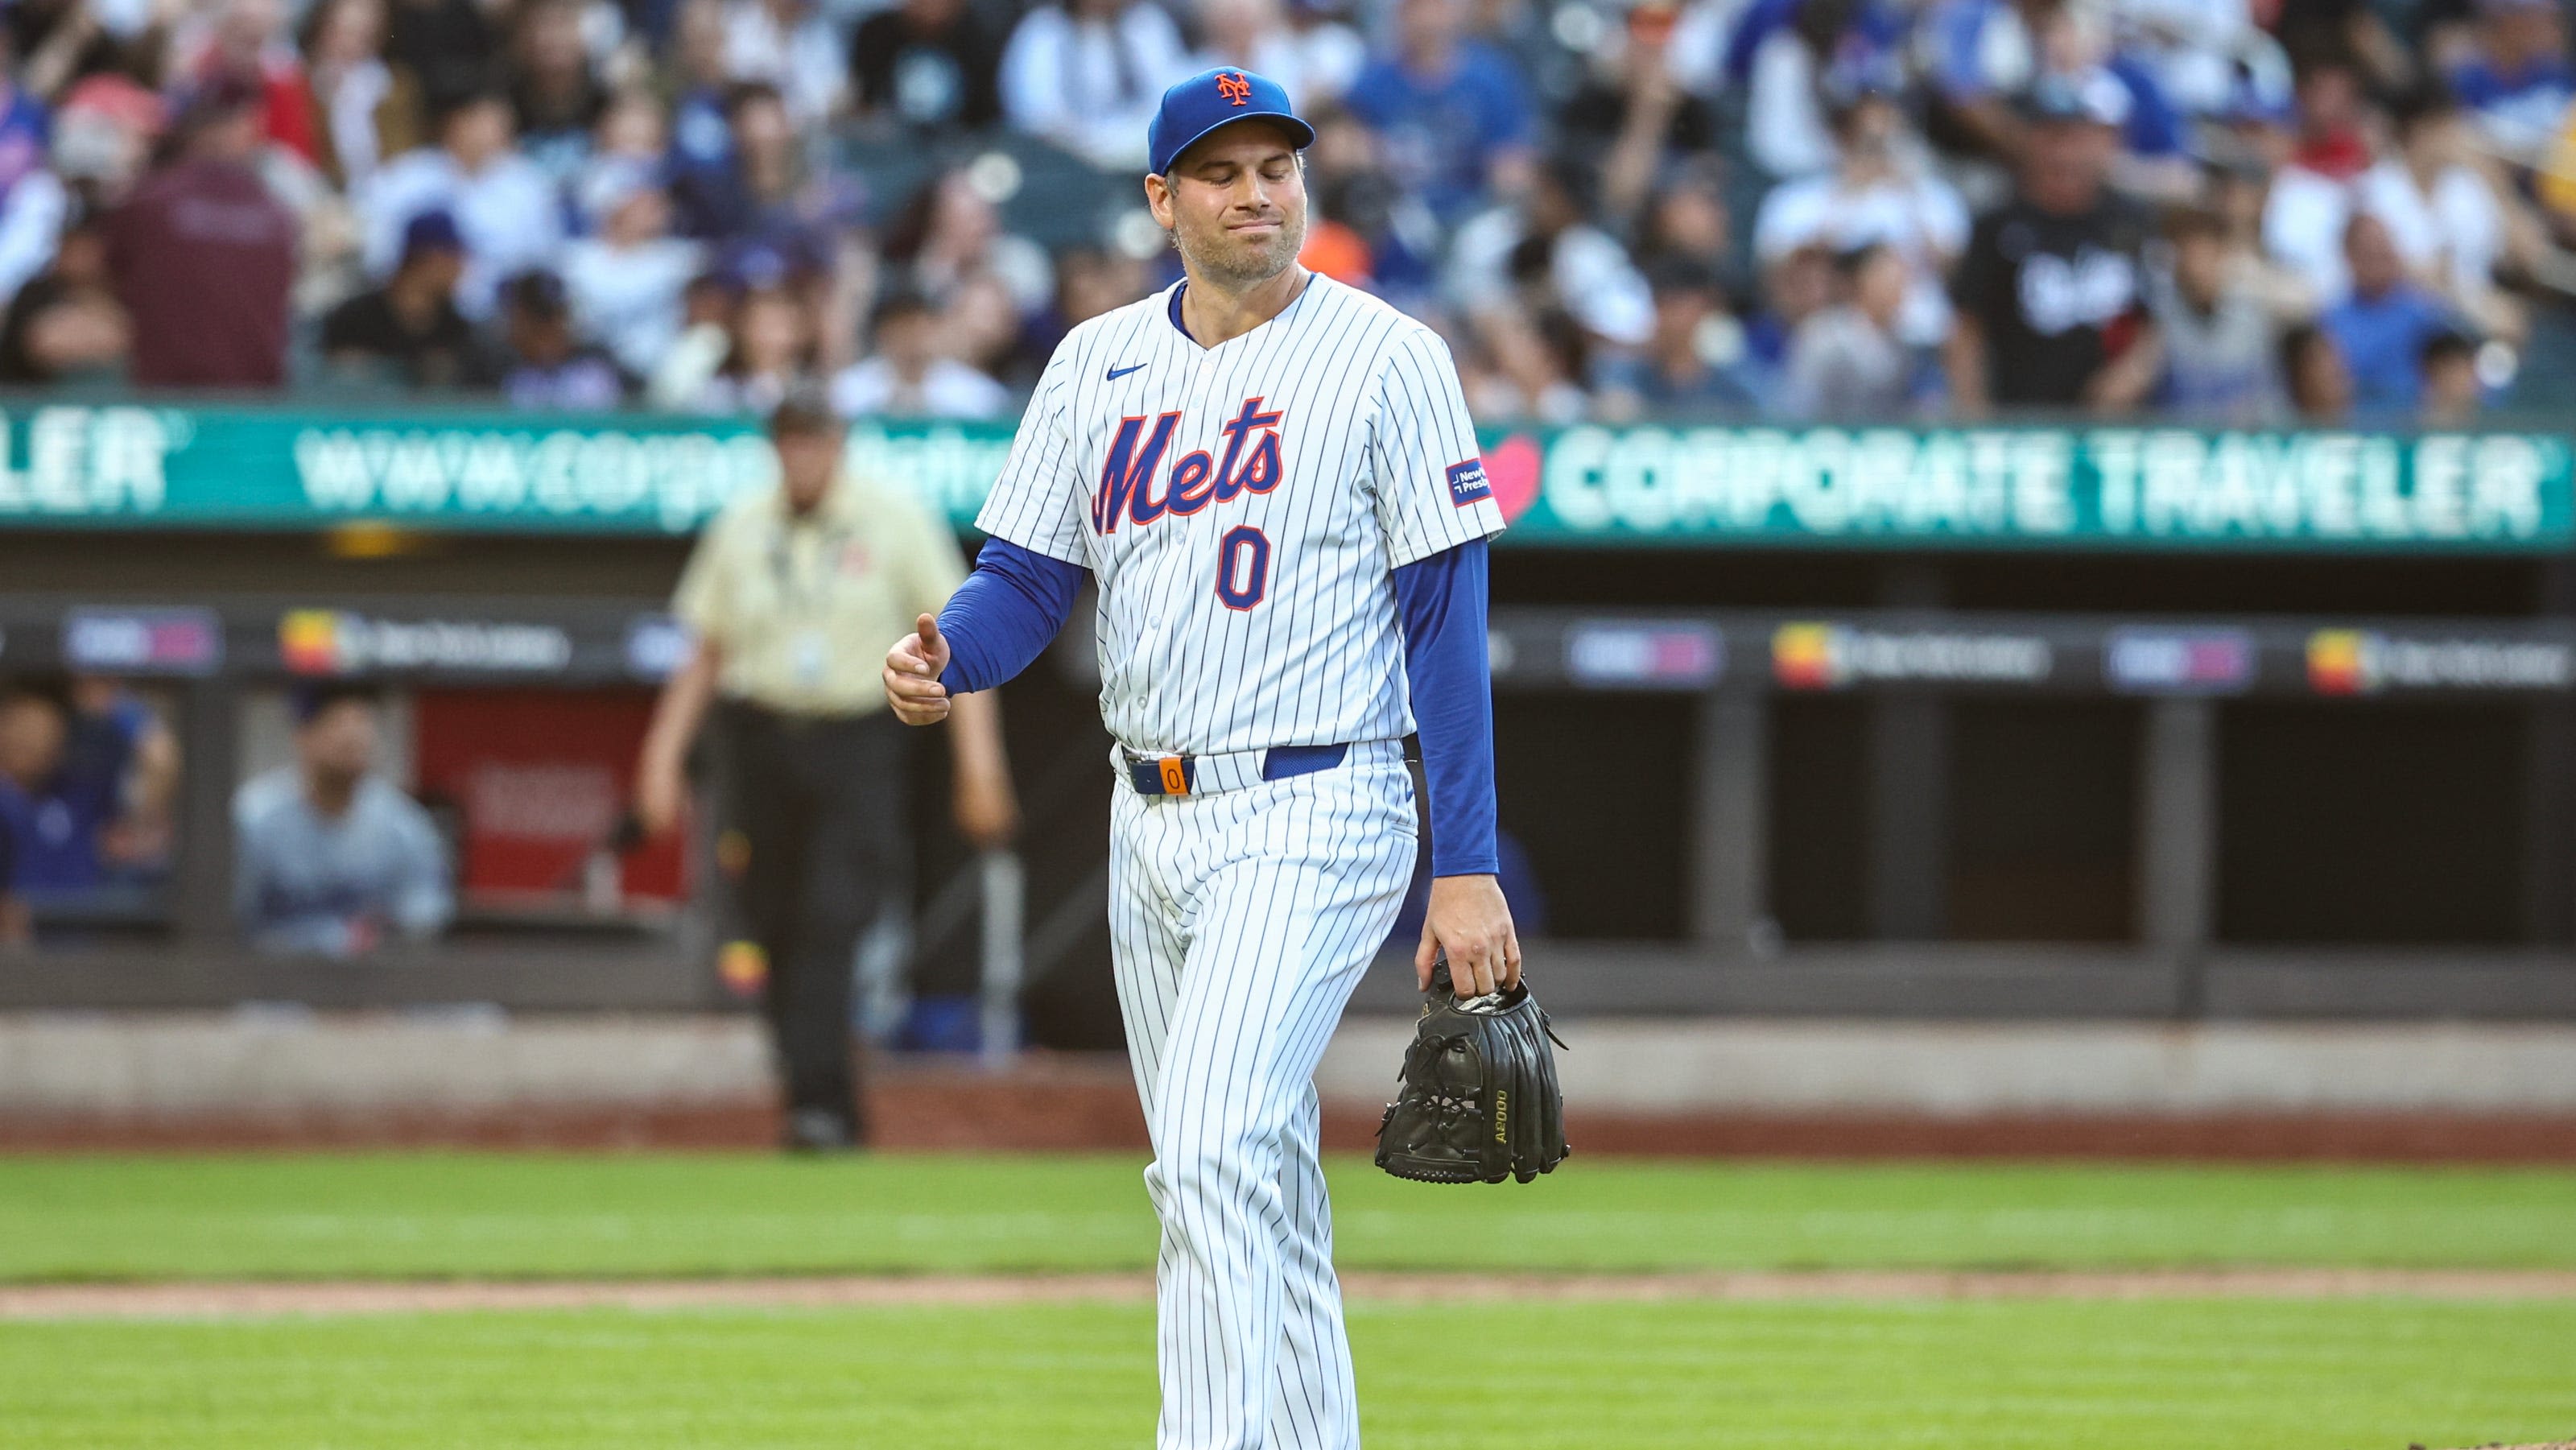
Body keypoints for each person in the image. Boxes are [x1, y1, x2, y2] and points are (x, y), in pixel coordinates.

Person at [883, 69, 1517, 1449]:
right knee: (1252, 1178)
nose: (1255, 193)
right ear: (1162, 200)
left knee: (1214, 1148)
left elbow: (1446, 623)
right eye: (1220, 172)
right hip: (1150, 815)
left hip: (1320, 797)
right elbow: (1028, 581)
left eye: (1275, 167)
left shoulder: (1387, 355)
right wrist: (950, 655)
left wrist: (1463, 864)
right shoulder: (1096, 362)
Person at [638, 388, 1018, 1151]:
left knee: (833, 916)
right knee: (769, 920)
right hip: (761, 737)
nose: (802, 456)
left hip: (858, 741)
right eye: (789, 442)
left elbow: (953, 643)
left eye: (815, 441)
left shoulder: (893, 516)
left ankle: (814, 1102)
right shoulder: (742, 525)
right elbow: (703, 652)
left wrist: (980, 769)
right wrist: (660, 761)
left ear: (839, 443)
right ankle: (825, 1101)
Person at [1945, 75, 2158, 415]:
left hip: (2112, 429)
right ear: (2029, 143)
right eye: (2051, 138)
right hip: (2023, 424)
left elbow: (2153, 321)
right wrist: (1975, 415)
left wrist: (2132, 372)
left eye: (2073, 138)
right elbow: (1966, 330)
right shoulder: (1997, 227)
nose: (2063, 153)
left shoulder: (2128, 221)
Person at [102, 76, 296, 389]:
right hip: (257, 405)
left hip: (169, 400)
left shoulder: (147, 199)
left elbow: (104, 275)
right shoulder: (278, 211)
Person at [233, 683, 453, 956]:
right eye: (338, 721)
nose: (354, 734)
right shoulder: (255, 817)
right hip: (277, 982)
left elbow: (426, 911)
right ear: (303, 735)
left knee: (478, 1002)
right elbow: (233, 923)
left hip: (376, 984)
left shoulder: (401, 820)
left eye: (362, 719)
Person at [318, 208, 478, 388]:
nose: (461, 268)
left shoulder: (456, 328)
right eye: (454, 257)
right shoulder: (354, 319)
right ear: (427, 258)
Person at [2321, 213, 2453, 417]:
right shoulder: (2330, 323)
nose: (2380, 259)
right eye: (2369, 253)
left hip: (2417, 428)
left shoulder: (2425, 313)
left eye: (2384, 249)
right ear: (2350, 257)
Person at [829, 287, 1009, 419]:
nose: (909, 337)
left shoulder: (978, 394)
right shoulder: (849, 388)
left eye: (917, 325)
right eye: (899, 326)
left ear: (935, 327)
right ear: (882, 333)